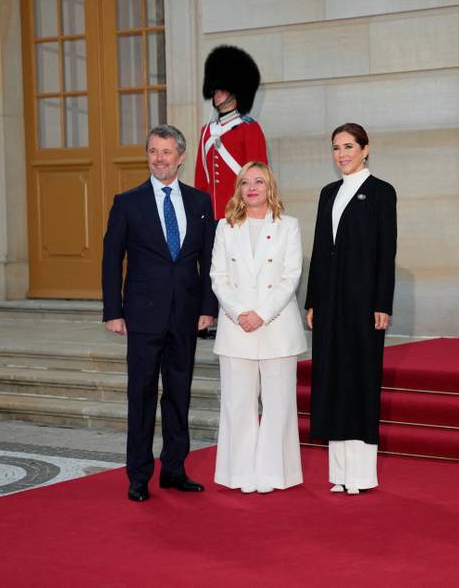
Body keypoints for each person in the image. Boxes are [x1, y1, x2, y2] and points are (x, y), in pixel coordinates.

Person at [102, 124, 217, 503]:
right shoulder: (127, 202)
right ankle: (138, 475)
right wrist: (113, 311)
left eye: (166, 152)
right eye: (153, 151)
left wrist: (207, 308)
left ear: (180, 157)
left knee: (178, 394)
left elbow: (208, 260)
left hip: (185, 316)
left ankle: (174, 469)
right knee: (142, 395)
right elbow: (110, 260)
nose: (159, 159)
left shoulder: (200, 203)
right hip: (142, 315)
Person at [305, 123, 397, 495]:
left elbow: (385, 253)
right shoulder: (328, 193)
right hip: (329, 304)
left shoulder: (380, 192)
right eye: (336, 148)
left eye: (348, 147)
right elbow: (319, 251)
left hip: (363, 305)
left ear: (365, 149)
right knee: (332, 381)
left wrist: (382, 303)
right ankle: (339, 473)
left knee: (359, 380)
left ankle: (361, 475)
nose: (341, 154)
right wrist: (312, 300)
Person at [210, 162, 306, 494]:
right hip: (236, 329)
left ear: (270, 188)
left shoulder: (288, 226)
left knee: (279, 405)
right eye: (245, 182)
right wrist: (240, 314)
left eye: (259, 181)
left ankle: (274, 474)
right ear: (238, 189)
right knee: (237, 404)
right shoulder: (225, 227)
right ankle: (239, 474)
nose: (252, 187)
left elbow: (290, 277)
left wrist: (261, 314)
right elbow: (218, 278)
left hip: (276, 327)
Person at [195, 45, 269, 221]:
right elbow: (201, 179)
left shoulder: (249, 128)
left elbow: (259, 179)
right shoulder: (207, 131)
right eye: (215, 89)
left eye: (222, 89)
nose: (217, 94)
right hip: (212, 216)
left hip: (240, 215)